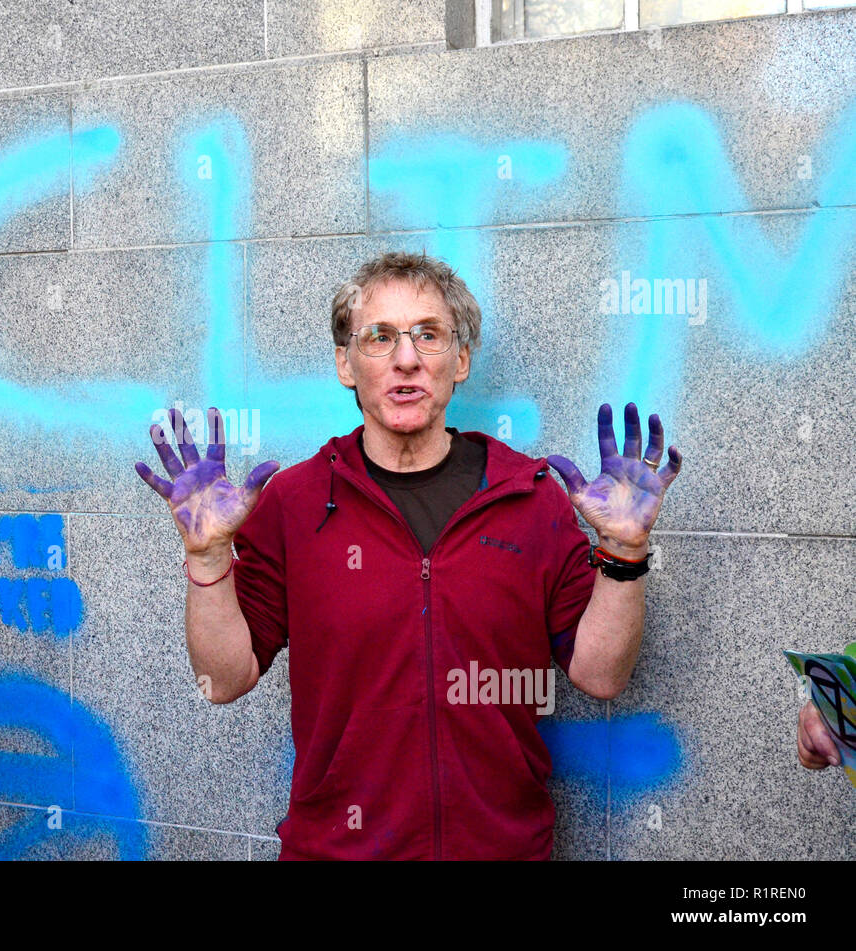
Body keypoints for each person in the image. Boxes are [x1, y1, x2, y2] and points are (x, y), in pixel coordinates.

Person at [135, 250, 683, 860]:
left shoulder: (530, 499)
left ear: (461, 361)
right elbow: (223, 680)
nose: (406, 359)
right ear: (346, 363)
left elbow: (601, 676)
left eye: (429, 335)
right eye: (380, 337)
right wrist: (210, 559)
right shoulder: (295, 502)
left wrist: (624, 550)